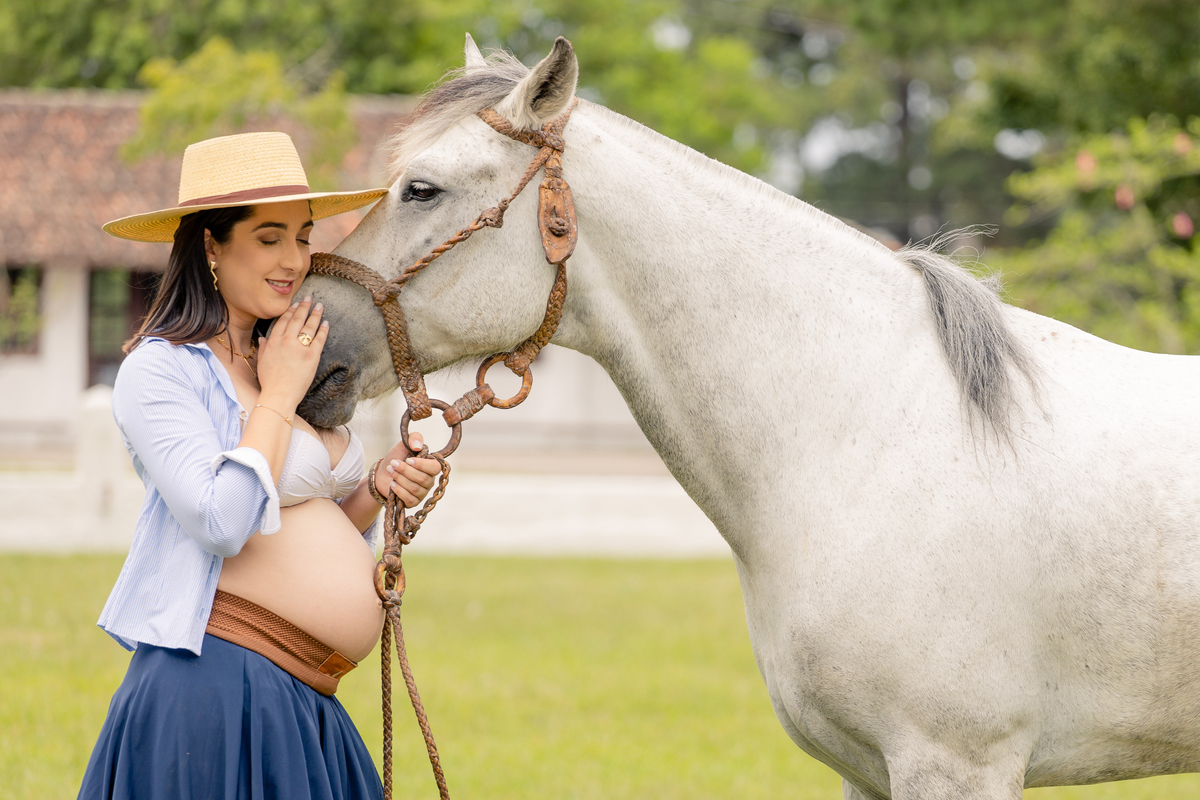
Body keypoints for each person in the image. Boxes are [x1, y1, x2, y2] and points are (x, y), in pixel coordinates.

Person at [78, 131, 440, 800]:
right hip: (215, 693)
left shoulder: (284, 359)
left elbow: (294, 516)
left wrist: (374, 489)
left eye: (303, 237)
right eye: (269, 237)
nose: (296, 260)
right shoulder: (159, 371)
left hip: (299, 697)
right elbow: (222, 521)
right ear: (211, 245)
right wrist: (277, 394)